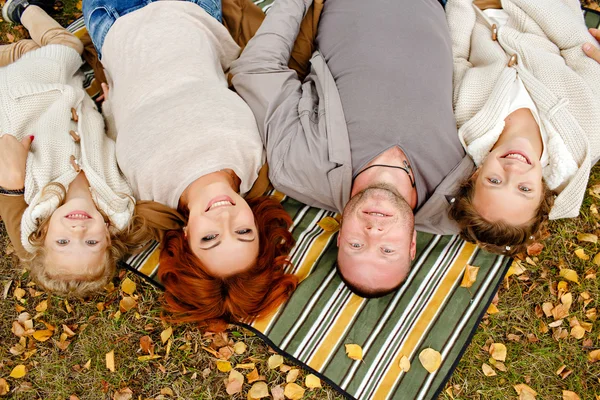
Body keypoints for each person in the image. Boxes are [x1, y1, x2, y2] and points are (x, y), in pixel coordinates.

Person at [82, 0, 322, 323]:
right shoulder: (258, 164)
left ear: (186, 239)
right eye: (243, 232)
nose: (225, 218)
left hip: (115, 18)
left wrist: (110, 103)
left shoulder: (144, 193)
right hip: (193, 8)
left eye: (210, 238)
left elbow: (104, 136)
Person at [230, 0, 464, 298]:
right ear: (412, 244)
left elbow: (257, 71)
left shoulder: (300, 169)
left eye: (357, 245)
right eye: (387, 250)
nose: (373, 232)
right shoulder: (459, 197)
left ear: (340, 237)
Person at [0, 0, 144, 296]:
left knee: (67, 46)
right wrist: (113, 111)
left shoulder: (37, 199)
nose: (77, 232)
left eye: (62, 242)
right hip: (70, 98)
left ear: (43, 235)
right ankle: (23, 52)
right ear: (107, 236)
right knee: (40, 55)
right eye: (91, 243)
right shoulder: (118, 197)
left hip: (24, 100)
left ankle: (22, 9)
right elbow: (116, 144)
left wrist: (10, 185)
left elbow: (24, 242)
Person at [444, 0, 600, 255]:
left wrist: (462, 2)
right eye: (524, 189)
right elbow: (575, 43)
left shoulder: (467, 118)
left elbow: (456, 55)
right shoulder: (587, 130)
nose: (513, 170)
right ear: (543, 194)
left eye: (494, 180)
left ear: (475, 175)